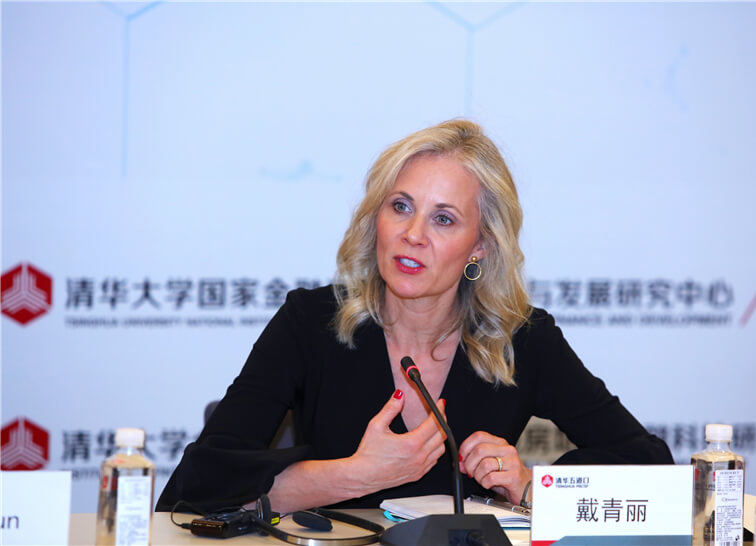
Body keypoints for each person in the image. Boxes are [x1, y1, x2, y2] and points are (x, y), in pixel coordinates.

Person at [156, 119, 673, 514]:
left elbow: (651, 466)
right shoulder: (309, 323)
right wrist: (356, 475)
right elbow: (196, 485)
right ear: (376, 218)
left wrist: (531, 486)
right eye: (401, 207)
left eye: (443, 218)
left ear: (480, 246)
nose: (413, 234)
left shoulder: (520, 338)